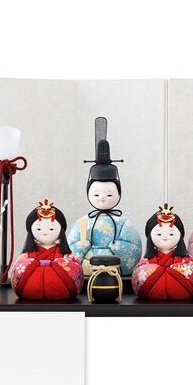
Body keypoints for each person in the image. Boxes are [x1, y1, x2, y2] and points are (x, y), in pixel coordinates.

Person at [68, 117, 142, 276]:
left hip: (115, 269)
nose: (102, 198)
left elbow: (134, 246)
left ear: (118, 193)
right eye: (96, 194)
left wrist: (118, 247)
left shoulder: (123, 223)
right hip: (88, 269)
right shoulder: (84, 222)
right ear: (88, 193)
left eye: (109, 194)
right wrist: (82, 247)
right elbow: (71, 246)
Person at [11, 199, 84, 300]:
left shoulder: (64, 253)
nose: (45, 232)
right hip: (30, 290)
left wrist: (58, 264)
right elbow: (18, 268)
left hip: (62, 290)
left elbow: (75, 268)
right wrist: (33, 264)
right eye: (39, 229)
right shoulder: (28, 254)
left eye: (51, 229)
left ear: (61, 230)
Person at [132, 203, 193, 300]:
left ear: (180, 236)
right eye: (159, 234)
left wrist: (172, 272)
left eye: (171, 234)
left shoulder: (187, 261)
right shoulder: (145, 262)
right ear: (150, 237)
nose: (165, 237)